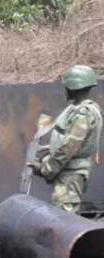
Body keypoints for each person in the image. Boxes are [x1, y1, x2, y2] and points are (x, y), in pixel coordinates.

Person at [27, 65, 102, 214]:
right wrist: (49, 149)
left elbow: (68, 149)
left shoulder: (83, 114)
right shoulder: (78, 109)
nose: (65, 89)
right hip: (68, 173)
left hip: (71, 175)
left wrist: (45, 169)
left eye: (67, 86)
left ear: (73, 87)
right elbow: (69, 142)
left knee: (64, 218)